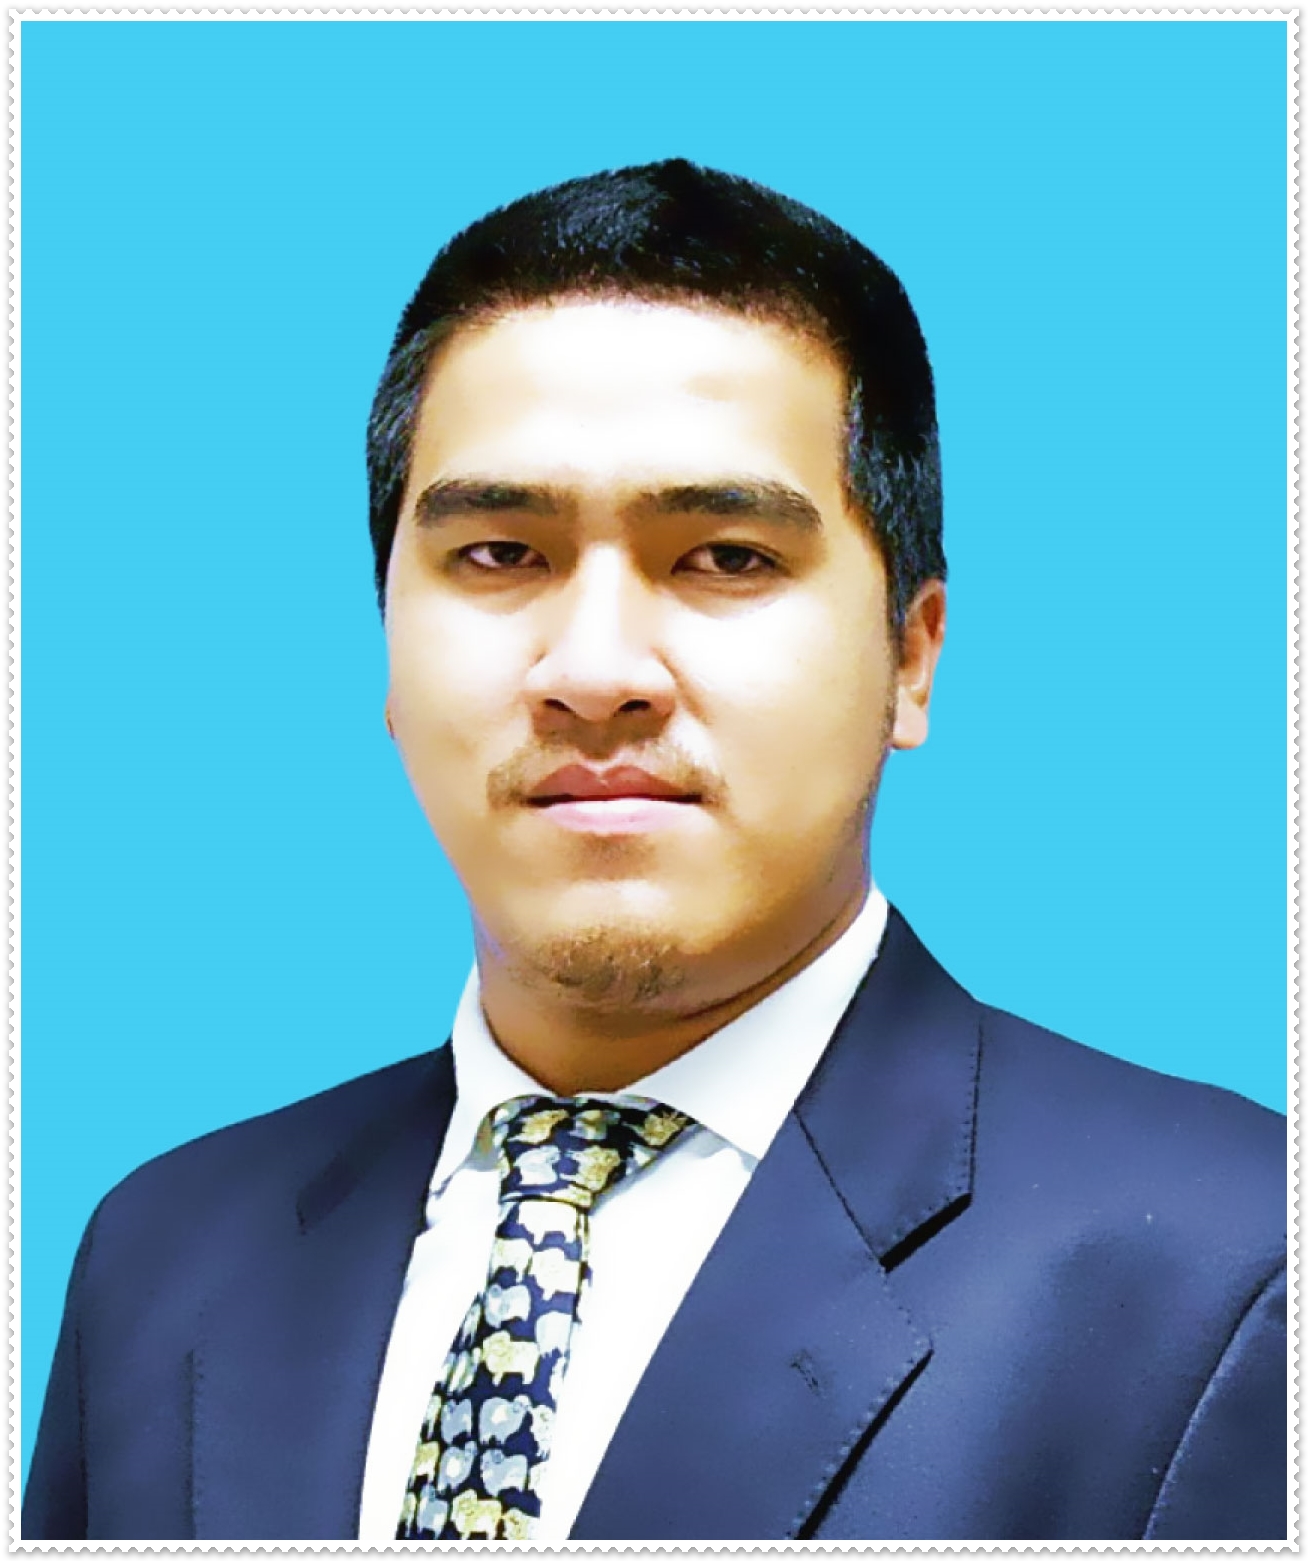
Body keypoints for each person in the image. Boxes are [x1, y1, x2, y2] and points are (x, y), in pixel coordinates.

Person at [23, 159, 1285, 1543]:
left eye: (726, 556)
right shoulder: (166, 1257)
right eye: (500, 554)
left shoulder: (1237, 1270)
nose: (595, 671)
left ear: (912, 658)